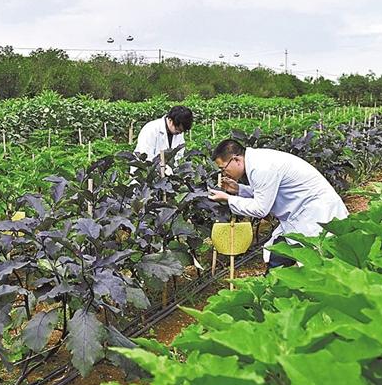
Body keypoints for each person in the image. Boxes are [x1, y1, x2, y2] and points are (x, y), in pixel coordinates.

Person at [207, 139, 348, 269]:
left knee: (319, 265)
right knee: (279, 255)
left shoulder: (261, 168)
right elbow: (267, 191)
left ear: (236, 159)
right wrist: (239, 189)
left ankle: (274, 288)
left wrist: (228, 198)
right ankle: (273, 288)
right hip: (300, 214)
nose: (223, 172)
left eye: (223, 168)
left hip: (315, 214)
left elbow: (260, 209)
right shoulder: (258, 160)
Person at [134, 105, 194, 170]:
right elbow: (146, 156)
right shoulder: (151, 129)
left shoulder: (179, 133)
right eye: (178, 129)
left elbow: (179, 156)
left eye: (182, 131)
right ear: (170, 120)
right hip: (146, 173)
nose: (180, 132)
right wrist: (164, 168)